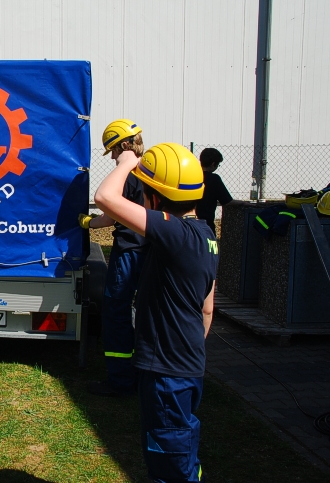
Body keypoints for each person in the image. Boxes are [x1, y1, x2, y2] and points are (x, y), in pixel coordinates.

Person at [95, 142, 218, 483]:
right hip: (188, 364)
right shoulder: (206, 235)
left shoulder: (174, 232)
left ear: (154, 198)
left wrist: (126, 163)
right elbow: (207, 308)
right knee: (181, 444)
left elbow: (105, 198)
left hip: (167, 372)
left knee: (170, 461)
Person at [79, 119, 147, 397]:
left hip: (129, 251)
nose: (113, 157)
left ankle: (120, 380)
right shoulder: (151, 170)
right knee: (145, 311)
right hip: (150, 249)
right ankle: (142, 373)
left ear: (124, 145)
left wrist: (89, 223)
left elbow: (111, 213)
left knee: (116, 312)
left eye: (114, 151)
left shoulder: (126, 174)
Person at [196, 148, 232, 234]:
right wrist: (244, 203)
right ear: (213, 164)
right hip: (206, 223)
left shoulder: (193, 176)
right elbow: (227, 201)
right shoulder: (214, 179)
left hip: (189, 221)